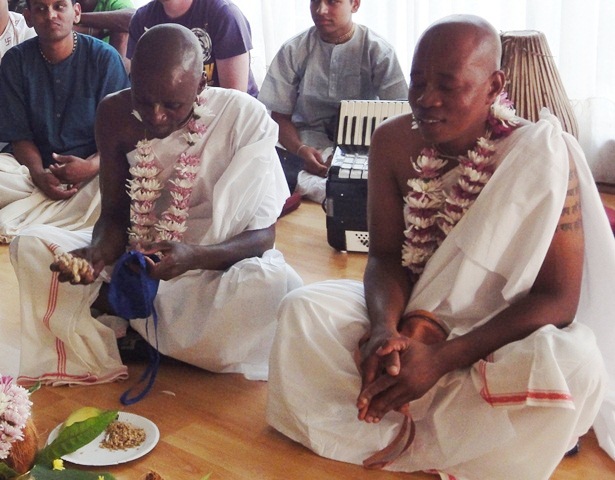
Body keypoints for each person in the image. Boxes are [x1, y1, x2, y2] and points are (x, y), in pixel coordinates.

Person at [267, 14, 615, 479]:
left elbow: (558, 299)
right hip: (413, 309)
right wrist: (384, 331)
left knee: (577, 363)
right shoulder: (392, 140)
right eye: (418, 82)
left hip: (497, 333)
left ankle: (434, 430)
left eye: (448, 86)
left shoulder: (540, 155)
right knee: (302, 310)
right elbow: (386, 258)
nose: (426, 100)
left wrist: (443, 358)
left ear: (494, 87)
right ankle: (436, 430)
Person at [10, 23, 302, 387]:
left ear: (200, 87)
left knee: (271, 285)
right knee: (32, 245)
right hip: (138, 258)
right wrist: (97, 254)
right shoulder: (114, 113)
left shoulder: (244, 118)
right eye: (144, 100)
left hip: (212, 265)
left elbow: (262, 238)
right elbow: (115, 215)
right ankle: (144, 324)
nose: (156, 116)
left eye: (172, 105)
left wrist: (192, 256)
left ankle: (126, 320)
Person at [0, 0, 130, 244]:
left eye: (59, 6)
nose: (50, 15)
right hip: (29, 171)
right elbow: (20, 136)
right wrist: (39, 174)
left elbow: (122, 138)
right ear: (28, 16)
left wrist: (90, 167)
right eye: (40, 9)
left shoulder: (104, 59)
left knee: (123, 186)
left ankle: (36, 214)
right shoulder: (15, 61)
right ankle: (51, 209)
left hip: (93, 173)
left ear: (76, 12)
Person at [257, 0, 408, 204]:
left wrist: (349, 157)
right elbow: (279, 117)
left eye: (332, 2)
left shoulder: (378, 51)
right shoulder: (294, 49)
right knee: (261, 159)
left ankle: (323, 187)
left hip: (360, 149)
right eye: (315, 2)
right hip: (302, 145)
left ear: (354, 5)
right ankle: (326, 187)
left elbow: (400, 118)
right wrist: (301, 152)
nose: (321, 10)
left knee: (376, 180)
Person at [127, 0, 258, 97]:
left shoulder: (224, 14)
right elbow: (140, 89)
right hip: (170, 116)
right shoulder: (141, 19)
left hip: (227, 116)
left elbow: (234, 98)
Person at [73, 0, 136, 71]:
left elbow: (133, 19)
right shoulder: (63, 4)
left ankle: (116, 76)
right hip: (69, 65)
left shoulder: (113, 2)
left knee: (121, 31)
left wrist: (75, 17)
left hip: (104, 66)